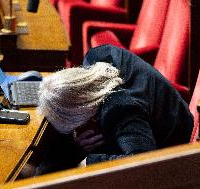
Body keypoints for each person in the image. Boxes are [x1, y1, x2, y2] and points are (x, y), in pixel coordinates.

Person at [29, 45, 193, 176]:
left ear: (84, 113)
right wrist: (76, 149)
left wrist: (88, 162)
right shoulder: (97, 56)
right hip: (147, 123)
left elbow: (143, 162)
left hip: (172, 152)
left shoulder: (120, 110)